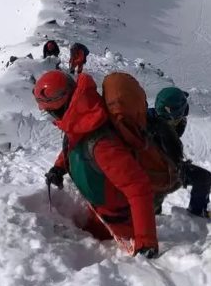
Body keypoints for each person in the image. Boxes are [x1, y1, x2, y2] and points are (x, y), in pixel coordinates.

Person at [35, 70, 159, 257]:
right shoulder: (80, 119)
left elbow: (138, 188)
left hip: (119, 224)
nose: (51, 117)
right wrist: (59, 167)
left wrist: (145, 242)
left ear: (59, 108)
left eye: (50, 112)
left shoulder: (102, 144)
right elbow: (74, 144)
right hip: (100, 212)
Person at [148, 87, 211, 218]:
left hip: (144, 170)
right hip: (160, 173)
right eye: (184, 111)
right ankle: (197, 215)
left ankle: (155, 215)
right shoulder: (166, 134)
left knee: (152, 204)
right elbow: (173, 163)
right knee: (203, 178)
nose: (184, 116)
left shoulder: (147, 117)